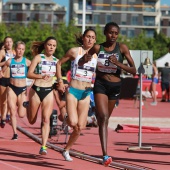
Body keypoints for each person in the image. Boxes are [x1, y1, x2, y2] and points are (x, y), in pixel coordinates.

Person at [81, 22, 136, 166]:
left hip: (115, 86)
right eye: (110, 33)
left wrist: (118, 64)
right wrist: (84, 59)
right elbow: (82, 60)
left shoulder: (122, 48)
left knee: (104, 119)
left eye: (116, 33)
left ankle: (96, 118)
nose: (113, 36)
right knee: (104, 117)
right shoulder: (98, 48)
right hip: (100, 84)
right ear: (105, 33)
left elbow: (134, 70)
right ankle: (105, 155)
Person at [56, 28, 97, 162]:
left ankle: (66, 149)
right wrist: (60, 81)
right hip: (73, 91)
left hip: (86, 93)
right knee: (73, 122)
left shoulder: (97, 56)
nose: (90, 39)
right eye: (88, 37)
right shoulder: (75, 51)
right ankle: (66, 118)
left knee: (80, 127)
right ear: (83, 38)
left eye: (93, 37)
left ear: (95, 40)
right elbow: (59, 63)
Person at [26, 36, 58, 155]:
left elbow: (59, 77)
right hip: (36, 90)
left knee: (46, 119)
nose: (51, 47)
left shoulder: (56, 61)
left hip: (48, 91)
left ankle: (43, 146)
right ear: (45, 45)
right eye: (49, 45)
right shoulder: (38, 58)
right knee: (32, 121)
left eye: (54, 46)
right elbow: (29, 74)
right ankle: (28, 106)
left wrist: (61, 84)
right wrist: (41, 76)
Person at [0, 41, 31, 140]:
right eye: (19, 49)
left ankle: (26, 105)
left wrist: (34, 81)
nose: (20, 51)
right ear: (15, 50)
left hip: (22, 90)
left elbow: (35, 71)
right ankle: (15, 133)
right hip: (12, 89)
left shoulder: (27, 61)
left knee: (21, 115)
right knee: (13, 112)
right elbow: (2, 71)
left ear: (24, 50)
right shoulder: (10, 61)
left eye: (22, 49)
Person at [0, 36, 16, 128]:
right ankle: (2, 118)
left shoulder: (15, 52)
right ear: (5, 44)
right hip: (4, 78)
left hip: (13, 79)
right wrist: (6, 62)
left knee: (11, 100)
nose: (9, 43)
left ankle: (8, 115)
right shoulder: (2, 52)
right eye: (7, 42)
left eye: (10, 42)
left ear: (13, 43)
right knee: (3, 101)